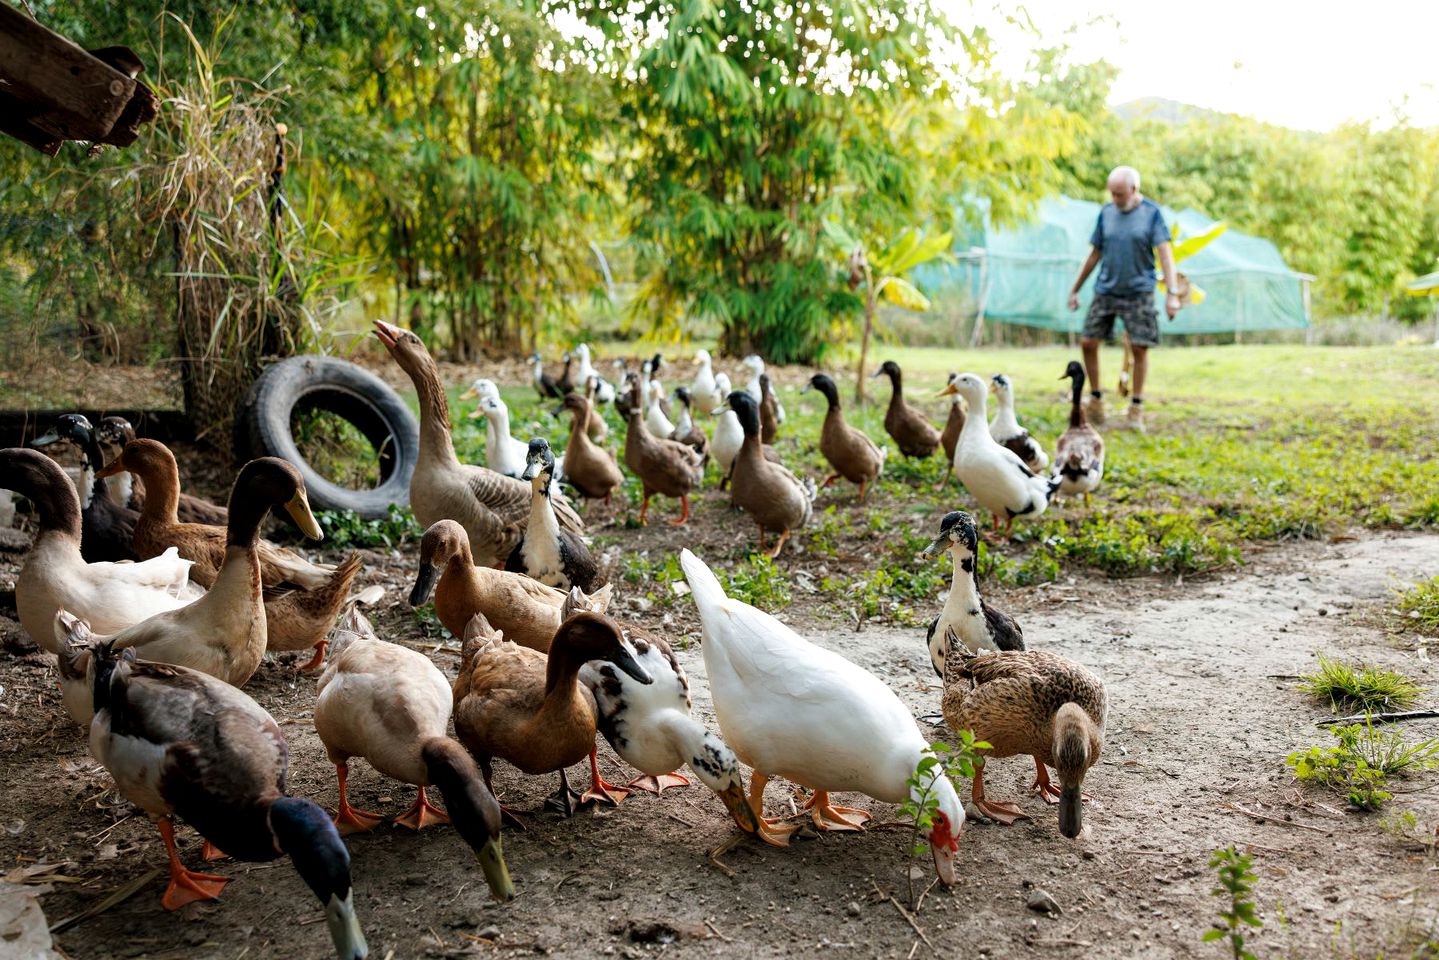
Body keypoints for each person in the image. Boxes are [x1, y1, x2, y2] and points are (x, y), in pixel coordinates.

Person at [1066, 165, 1181, 432]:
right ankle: (1095, 399)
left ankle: (1135, 408)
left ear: (1134, 190)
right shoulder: (1106, 213)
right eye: (1112, 194)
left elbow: (1165, 254)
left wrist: (1173, 294)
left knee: (1140, 347)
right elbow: (1095, 254)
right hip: (1106, 289)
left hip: (1139, 290)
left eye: (1119, 194)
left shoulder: (1151, 214)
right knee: (1088, 341)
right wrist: (1075, 288)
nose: (1115, 199)